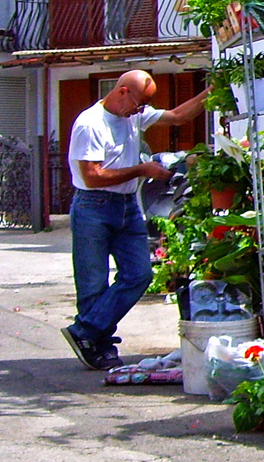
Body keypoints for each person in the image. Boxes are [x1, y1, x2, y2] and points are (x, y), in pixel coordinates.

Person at [62, 70, 208, 369]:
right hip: (94, 205)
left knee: (139, 274)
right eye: (138, 103)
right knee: (93, 281)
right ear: (123, 91)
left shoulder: (132, 116)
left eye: (144, 107)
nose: (139, 111)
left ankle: (86, 331)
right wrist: (142, 169)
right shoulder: (90, 124)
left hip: (127, 205)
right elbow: (92, 177)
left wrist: (213, 91)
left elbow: (179, 116)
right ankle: (99, 346)